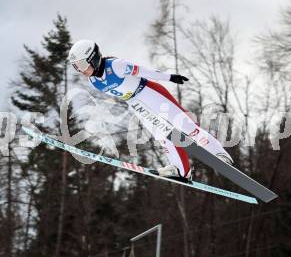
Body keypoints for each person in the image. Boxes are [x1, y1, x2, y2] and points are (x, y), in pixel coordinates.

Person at [68, 39, 233, 183]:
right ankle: (181, 171)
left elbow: (144, 71)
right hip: (136, 104)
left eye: (82, 65)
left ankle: (219, 154)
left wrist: (169, 77)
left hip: (150, 93)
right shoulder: (93, 81)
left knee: (186, 126)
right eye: (77, 67)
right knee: (163, 135)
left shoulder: (116, 66)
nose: (81, 70)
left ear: (93, 58)